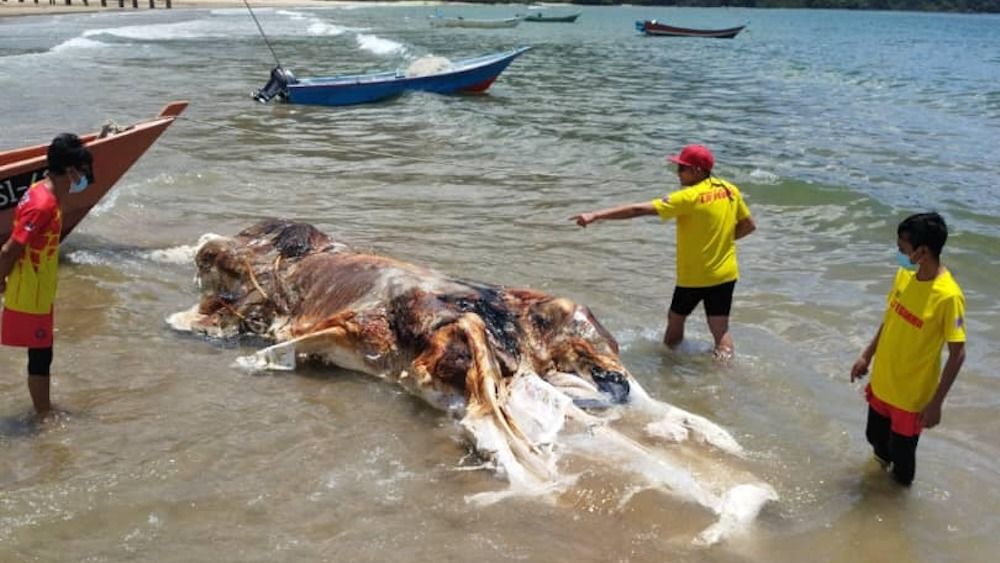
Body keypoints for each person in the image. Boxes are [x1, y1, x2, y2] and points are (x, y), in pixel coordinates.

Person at [570, 144, 756, 358]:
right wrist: (720, 242)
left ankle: (668, 366)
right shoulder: (729, 190)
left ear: (698, 170)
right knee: (720, 329)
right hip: (725, 274)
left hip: (695, 276)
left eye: (682, 168)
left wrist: (596, 215)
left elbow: (639, 210)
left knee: (675, 320)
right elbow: (748, 225)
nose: (678, 173)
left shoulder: (689, 197)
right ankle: (725, 373)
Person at [850, 212, 966, 486]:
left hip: (911, 397)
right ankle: (877, 489)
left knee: (903, 463)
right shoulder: (904, 276)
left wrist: (936, 404)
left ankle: (897, 510)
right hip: (883, 382)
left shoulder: (948, 296)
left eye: (903, 246)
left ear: (922, 251)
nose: (898, 251)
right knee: (875, 439)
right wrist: (867, 355)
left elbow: (958, 354)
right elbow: (889, 320)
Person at [0, 133, 94, 418]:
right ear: (71, 170)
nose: (86, 176)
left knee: (43, 352)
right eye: (83, 170)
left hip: (39, 288)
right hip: (30, 291)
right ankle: (43, 416)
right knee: (40, 355)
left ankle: (43, 410)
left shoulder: (42, 190)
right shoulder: (44, 205)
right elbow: (10, 248)